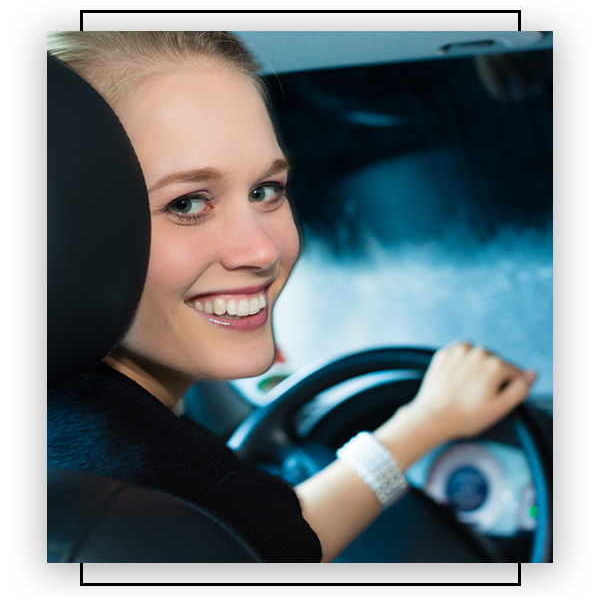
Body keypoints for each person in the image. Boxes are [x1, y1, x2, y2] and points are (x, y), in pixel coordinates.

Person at [47, 31, 537, 563]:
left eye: (266, 191)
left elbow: (272, 536)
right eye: (187, 203)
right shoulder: (158, 480)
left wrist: (426, 425)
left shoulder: (91, 442)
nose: (261, 249)